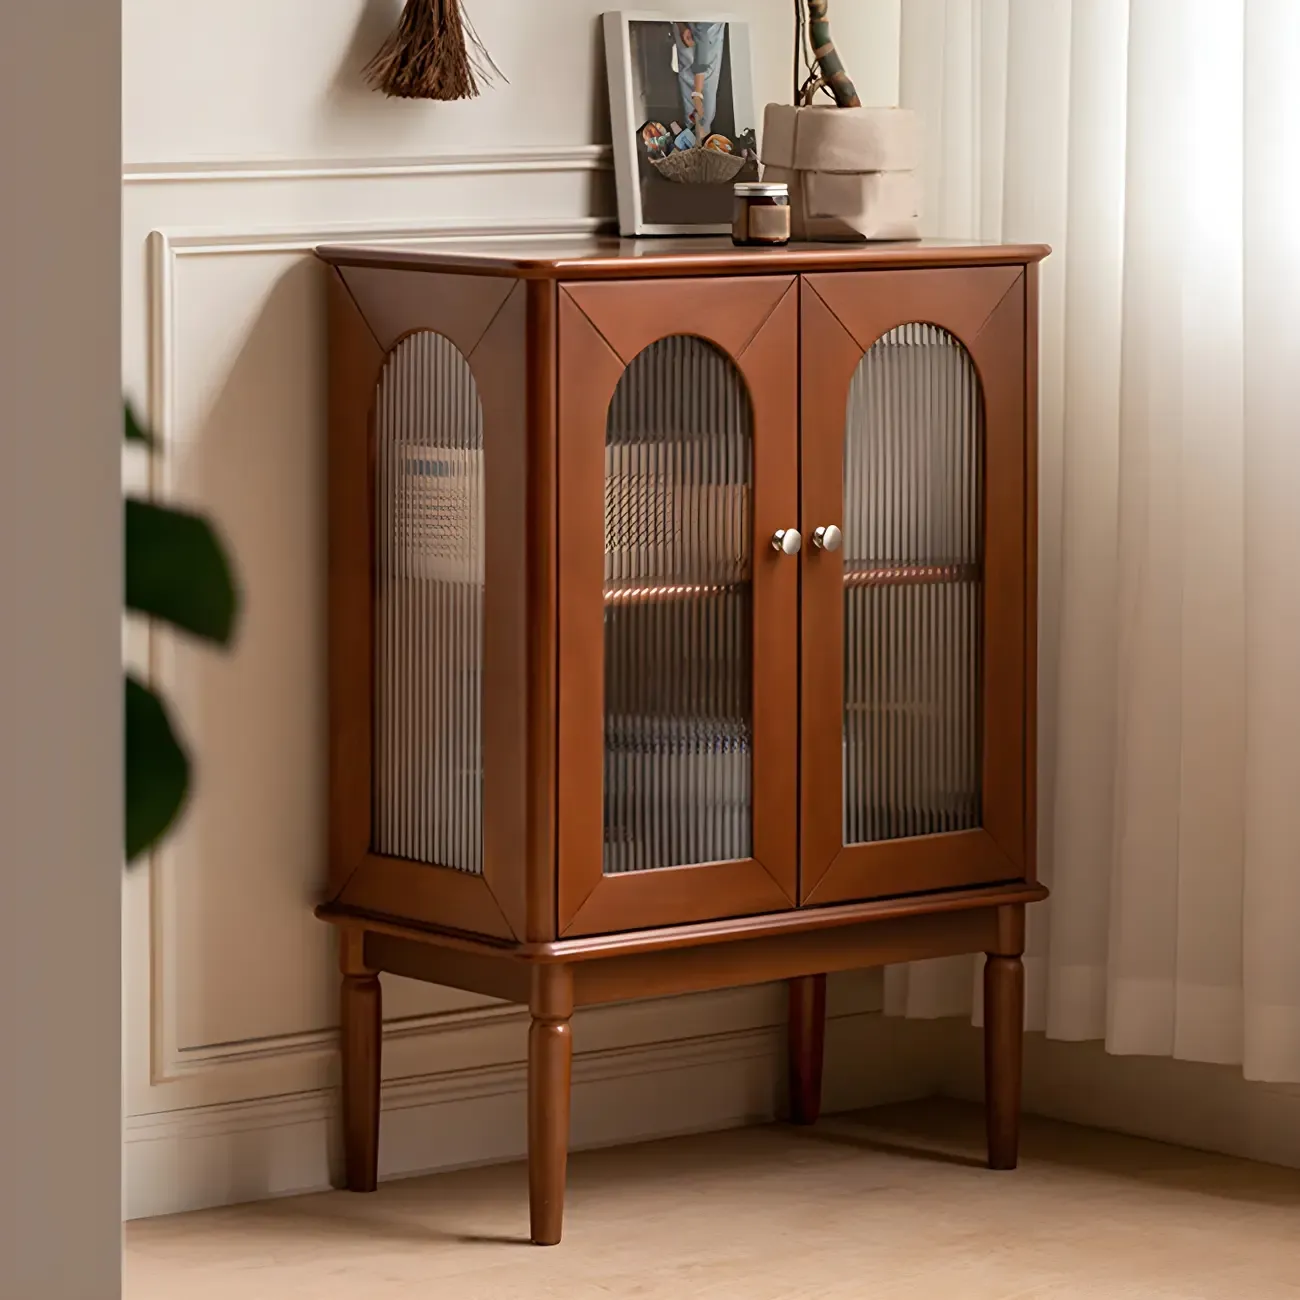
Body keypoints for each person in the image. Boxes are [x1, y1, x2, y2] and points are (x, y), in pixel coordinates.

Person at [674, 22, 725, 141]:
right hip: (691, 26)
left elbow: (703, 37)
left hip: (701, 29)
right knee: (702, 118)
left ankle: (697, 139)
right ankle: (697, 140)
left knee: (698, 118)